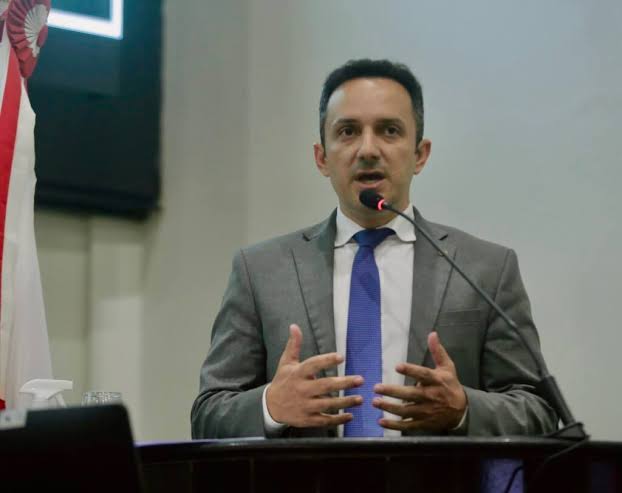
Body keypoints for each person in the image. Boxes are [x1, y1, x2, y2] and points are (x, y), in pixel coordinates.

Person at [191, 59, 558, 438]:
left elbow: (540, 412)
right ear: (322, 157)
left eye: (389, 130)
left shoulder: (484, 270)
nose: (368, 149)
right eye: (348, 131)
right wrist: (271, 406)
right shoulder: (260, 272)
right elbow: (208, 416)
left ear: (420, 154)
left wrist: (464, 409)